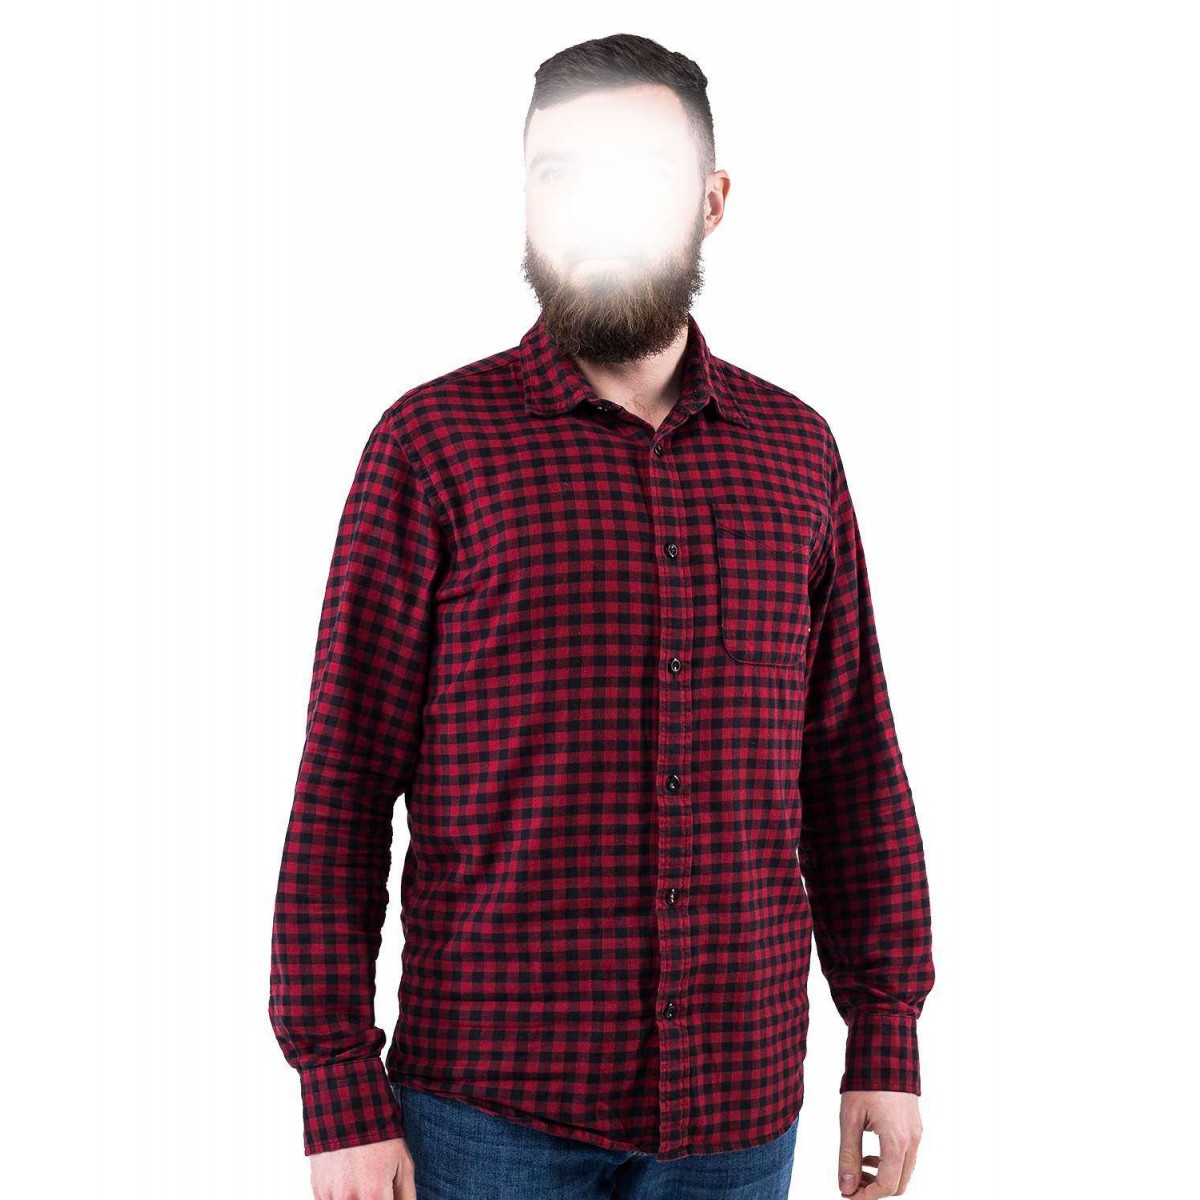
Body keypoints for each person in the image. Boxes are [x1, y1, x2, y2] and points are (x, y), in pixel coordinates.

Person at [269, 32, 935, 1200]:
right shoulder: (432, 447)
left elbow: (849, 765)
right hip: (485, 1112)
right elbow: (346, 778)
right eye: (559, 173)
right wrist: (336, 1086)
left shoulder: (797, 454)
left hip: (737, 1111)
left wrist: (884, 1032)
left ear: (712, 201)